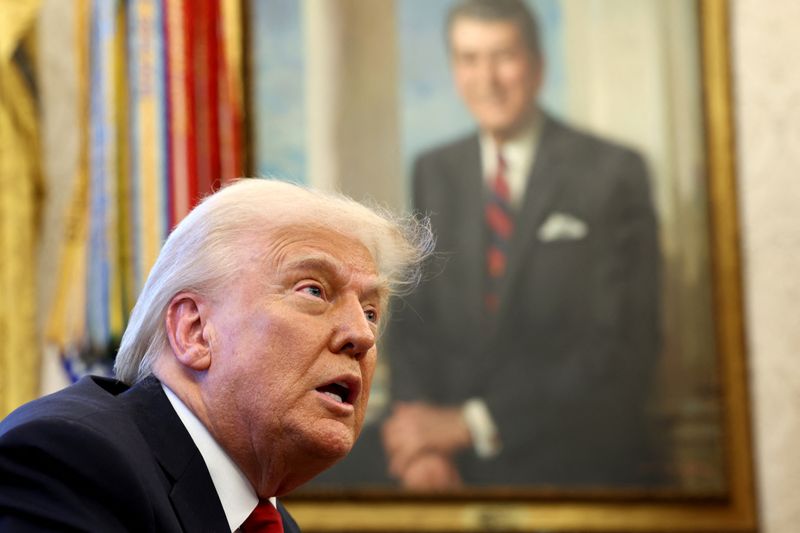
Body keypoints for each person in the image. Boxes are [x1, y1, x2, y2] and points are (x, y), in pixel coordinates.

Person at [0, 179, 432, 531]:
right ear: (194, 332)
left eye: (371, 312)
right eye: (314, 291)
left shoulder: (271, 523)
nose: (362, 335)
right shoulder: (74, 462)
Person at [382, 0, 662, 489]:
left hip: (574, 459)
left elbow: (623, 349)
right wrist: (416, 445)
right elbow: (410, 323)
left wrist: (471, 425)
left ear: (537, 66)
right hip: (444, 465)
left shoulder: (611, 173)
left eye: (503, 56)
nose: (486, 78)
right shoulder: (434, 171)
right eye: (469, 59)